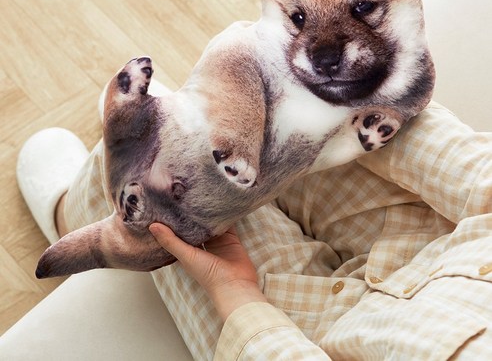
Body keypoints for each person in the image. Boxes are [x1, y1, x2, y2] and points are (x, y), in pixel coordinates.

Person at [17, 98, 492, 360]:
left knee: (155, 197)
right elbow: (479, 177)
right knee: (213, 130)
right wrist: (369, 104)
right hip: (439, 235)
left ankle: (71, 215)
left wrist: (237, 295)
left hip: (308, 339)